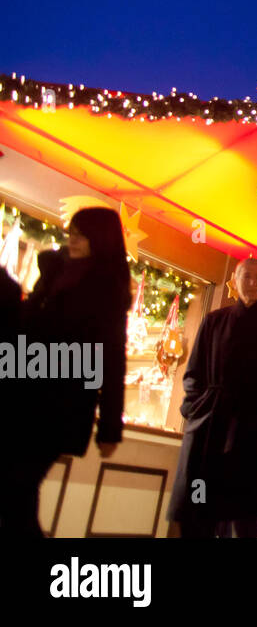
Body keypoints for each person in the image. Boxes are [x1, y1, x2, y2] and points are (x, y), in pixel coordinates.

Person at [0, 208, 131, 537]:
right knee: (14, 491)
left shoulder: (107, 290)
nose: (72, 239)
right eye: (71, 231)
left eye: (82, 234)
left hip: (59, 407)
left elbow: (112, 359)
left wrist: (109, 427)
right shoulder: (57, 273)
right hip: (22, 398)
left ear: (100, 240)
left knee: (16, 488)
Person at [168, 257, 257, 538]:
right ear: (235, 280)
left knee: (242, 513)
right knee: (199, 503)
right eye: (246, 276)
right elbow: (194, 372)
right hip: (209, 424)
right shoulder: (215, 320)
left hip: (250, 428)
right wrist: (195, 409)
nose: (252, 283)